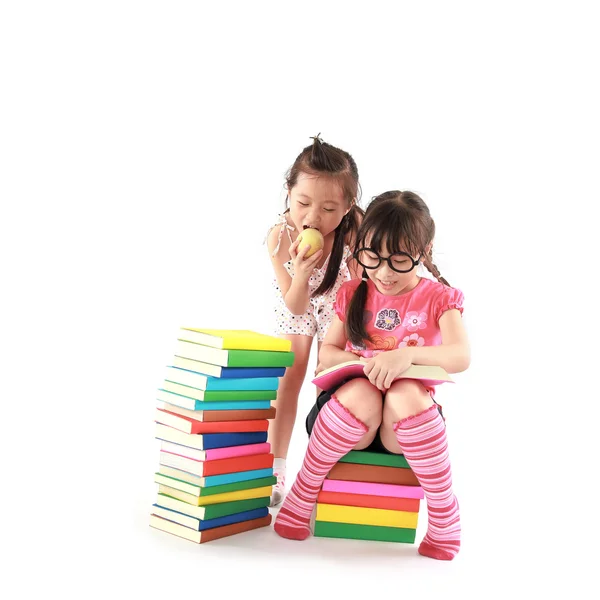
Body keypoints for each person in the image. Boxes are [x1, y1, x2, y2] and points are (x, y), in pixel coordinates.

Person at [273, 190, 470, 561]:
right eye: (372, 257)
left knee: (406, 393)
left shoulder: (439, 298)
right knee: (363, 391)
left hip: (406, 431)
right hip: (348, 424)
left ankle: (444, 514)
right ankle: (304, 490)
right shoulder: (353, 293)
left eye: (399, 260)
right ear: (359, 248)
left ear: (424, 251)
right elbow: (328, 353)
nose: (383, 273)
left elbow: (460, 355)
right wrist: (366, 366)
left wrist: (404, 357)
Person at [264, 134, 364, 506]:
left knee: (332, 379)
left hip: (341, 303)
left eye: (328, 208)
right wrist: (303, 272)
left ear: (348, 205)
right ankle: (276, 468)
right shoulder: (280, 236)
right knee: (290, 376)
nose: (313, 217)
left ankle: (323, 469)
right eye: (303, 203)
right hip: (297, 301)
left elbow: (357, 292)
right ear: (288, 192)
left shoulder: (355, 230)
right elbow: (294, 304)